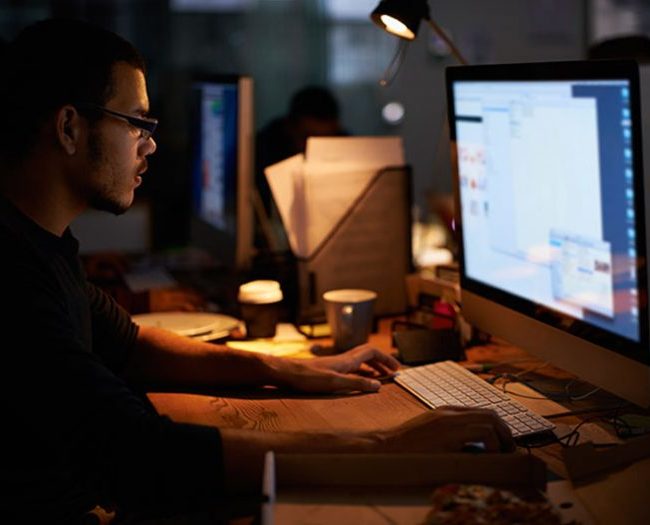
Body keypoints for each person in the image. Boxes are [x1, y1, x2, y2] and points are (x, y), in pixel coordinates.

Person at [0, 19, 513, 523]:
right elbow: (145, 454)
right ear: (69, 128)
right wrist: (389, 444)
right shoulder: (12, 278)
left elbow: (131, 344)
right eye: (135, 122)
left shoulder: (42, 244)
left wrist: (294, 369)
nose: (150, 144)